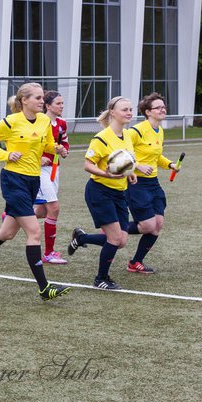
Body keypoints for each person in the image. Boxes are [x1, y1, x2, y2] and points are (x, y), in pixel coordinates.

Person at [0, 82, 71, 301]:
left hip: (33, 181)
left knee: (7, 233)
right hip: (14, 181)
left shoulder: (43, 121)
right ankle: (44, 288)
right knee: (34, 232)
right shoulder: (10, 122)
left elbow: (48, 144)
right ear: (24, 101)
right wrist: (5, 155)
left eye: (42, 98)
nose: (42, 101)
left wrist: (57, 149)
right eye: (38, 98)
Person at [67, 96, 138, 290]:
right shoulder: (101, 138)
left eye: (131, 109)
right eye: (125, 109)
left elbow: (127, 162)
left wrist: (130, 174)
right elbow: (87, 165)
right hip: (99, 192)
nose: (129, 113)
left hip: (119, 192)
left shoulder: (128, 135)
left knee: (121, 241)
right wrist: (106, 173)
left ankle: (82, 238)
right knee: (114, 239)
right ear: (113, 113)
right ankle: (101, 279)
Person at [122, 92, 181, 274]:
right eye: (158, 107)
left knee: (157, 225)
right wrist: (138, 165)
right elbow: (122, 153)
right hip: (135, 183)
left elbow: (156, 157)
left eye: (164, 107)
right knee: (147, 225)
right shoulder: (135, 131)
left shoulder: (159, 130)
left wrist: (170, 164)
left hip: (153, 184)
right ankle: (113, 230)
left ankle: (135, 262)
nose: (163, 110)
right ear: (148, 112)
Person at [35, 91, 71, 265]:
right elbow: (32, 143)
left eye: (62, 103)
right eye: (58, 103)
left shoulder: (62, 123)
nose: (61, 106)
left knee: (42, 211)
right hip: (39, 171)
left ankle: (12, 215)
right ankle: (49, 253)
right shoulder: (40, 122)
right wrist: (38, 158)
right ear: (48, 106)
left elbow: (64, 142)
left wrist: (64, 150)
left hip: (54, 170)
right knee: (54, 208)